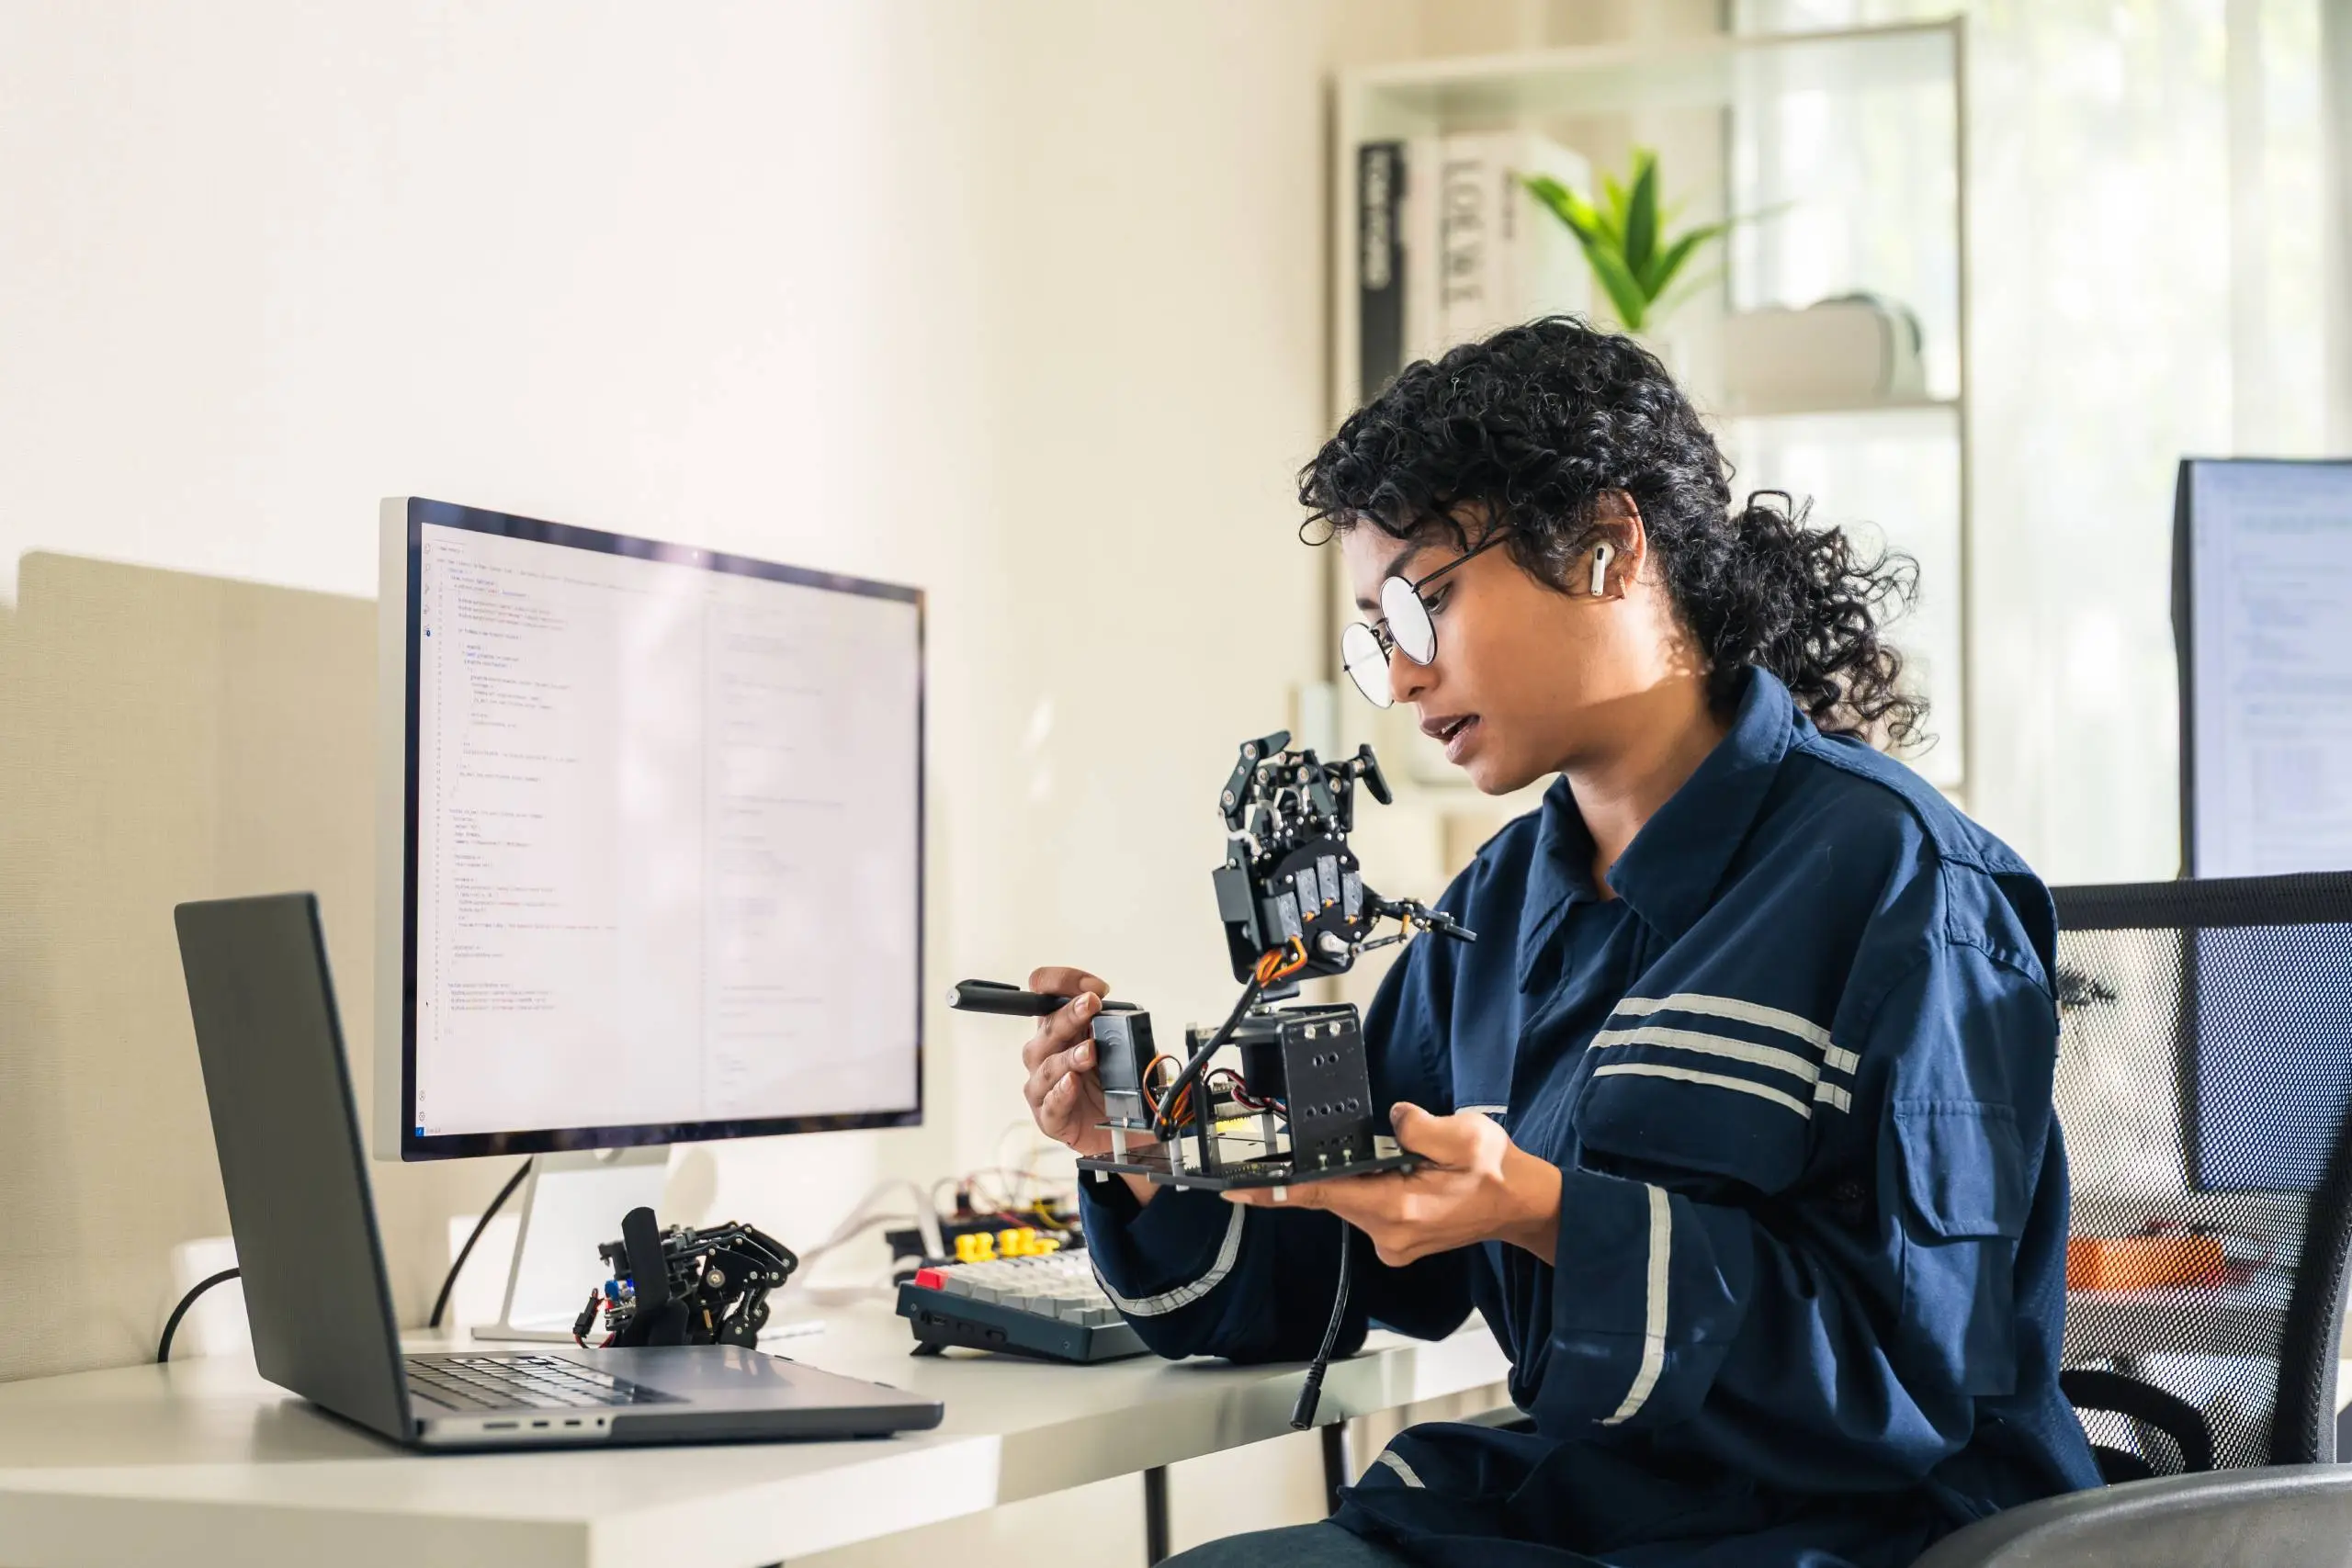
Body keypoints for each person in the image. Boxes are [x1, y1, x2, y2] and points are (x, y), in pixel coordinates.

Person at [1017, 318, 2100, 1567]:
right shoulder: (1494, 909)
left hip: (1854, 1534)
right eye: (1378, 640)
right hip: (1594, 1514)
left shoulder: (1907, 886)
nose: (1404, 680)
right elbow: (1337, 1258)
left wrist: (1546, 1214)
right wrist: (1150, 1150)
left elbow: (1908, 1383)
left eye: (1422, 609)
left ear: (1606, 543)